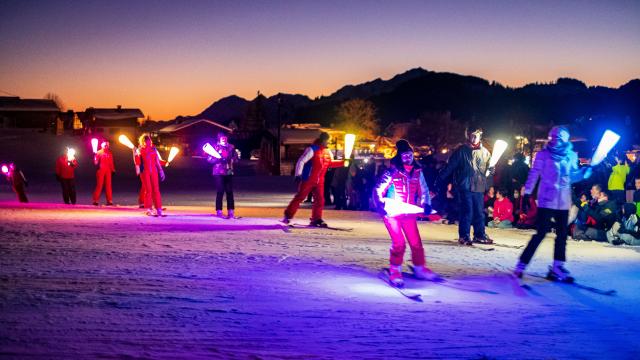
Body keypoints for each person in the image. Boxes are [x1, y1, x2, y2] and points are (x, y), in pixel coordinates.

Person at [514, 126, 592, 282]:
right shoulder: (543, 154)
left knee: (562, 235)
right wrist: (528, 191)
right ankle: (522, 264)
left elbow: (572, 176)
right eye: (553, 137)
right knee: (541, 232)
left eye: (558, 138)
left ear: (564, 140)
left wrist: (584, 173)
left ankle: (557, 267)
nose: (554, 140)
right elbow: (534, 173)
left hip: (563, 201)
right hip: (546, 200)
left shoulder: (570, 155)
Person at [373, 140, 437, 287]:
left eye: (410, 155)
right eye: (404, 155)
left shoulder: (417, 172)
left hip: (408, 212)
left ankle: (419, 268)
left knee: (416, 242)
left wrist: (426, 204)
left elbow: (424, 189)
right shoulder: (392, 171)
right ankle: (395, 269)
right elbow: (377, 189)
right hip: (392, 213)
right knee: (399, 243)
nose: (408, 158)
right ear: (399, 156)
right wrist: (380, 205)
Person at [438, 127, 493, 245]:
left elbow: (489, 169)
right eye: (471, 135)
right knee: (467, 210)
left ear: (480, 136)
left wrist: (491, 172)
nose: (473, 138)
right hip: (464, 185)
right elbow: (450, 166)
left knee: (479, 211)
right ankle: (464, 236)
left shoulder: (485, 152)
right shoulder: (461, 151)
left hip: (478, 185)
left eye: (476, 135)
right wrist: (440, 178)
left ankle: (479, 234)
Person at [282, 132, 344, 227]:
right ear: (323, 140)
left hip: (320, 181)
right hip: (308, 179)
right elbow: (301, 161)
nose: (329, 143)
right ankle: (288, 216)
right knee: (300, 197)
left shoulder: (327, 152)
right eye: (328, 141)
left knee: (320, 200)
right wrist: (298, 175)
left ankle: (316, 219)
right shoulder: (312, 149)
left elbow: (330, 163)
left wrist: (343, 162)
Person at [207, 132, 239, 218]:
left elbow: (236, 158)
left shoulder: (231, 147)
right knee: (220, 191)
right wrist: (217, 159)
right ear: (219, 138)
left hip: (229, 171)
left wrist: (233, 159)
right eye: (222, 137)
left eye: (225, 137)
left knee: (229, 191)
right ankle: (219, 211)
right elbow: (209, 159)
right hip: (218, 172)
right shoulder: (215, 147)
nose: (223, 139)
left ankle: (231, 211)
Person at [137, 134, 165, 216]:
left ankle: (158, 208)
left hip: (154, 171)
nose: (148, 141)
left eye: (148, 140)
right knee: (148, 190)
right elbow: (137, 162)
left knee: (156, 189)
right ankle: (149, 209)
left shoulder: (154, 149)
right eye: (146, 140)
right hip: (145, 172)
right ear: (143, 141)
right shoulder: (140, 150)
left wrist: (161, 170)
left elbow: (157, 161)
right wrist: (138, 169)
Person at [92, 141, 115, 206]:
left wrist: (113, 170)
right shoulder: (99, 152)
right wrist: (95, 157)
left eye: (108, 145)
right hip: (101, 170)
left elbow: (111, 162)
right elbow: (95, 163)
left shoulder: (109, 153)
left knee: (108, 185)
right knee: (99, 185)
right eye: (105, 145)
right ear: (102, 145)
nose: (107, 146)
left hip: (108, 171)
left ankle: (109, 200)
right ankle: (95, 200)